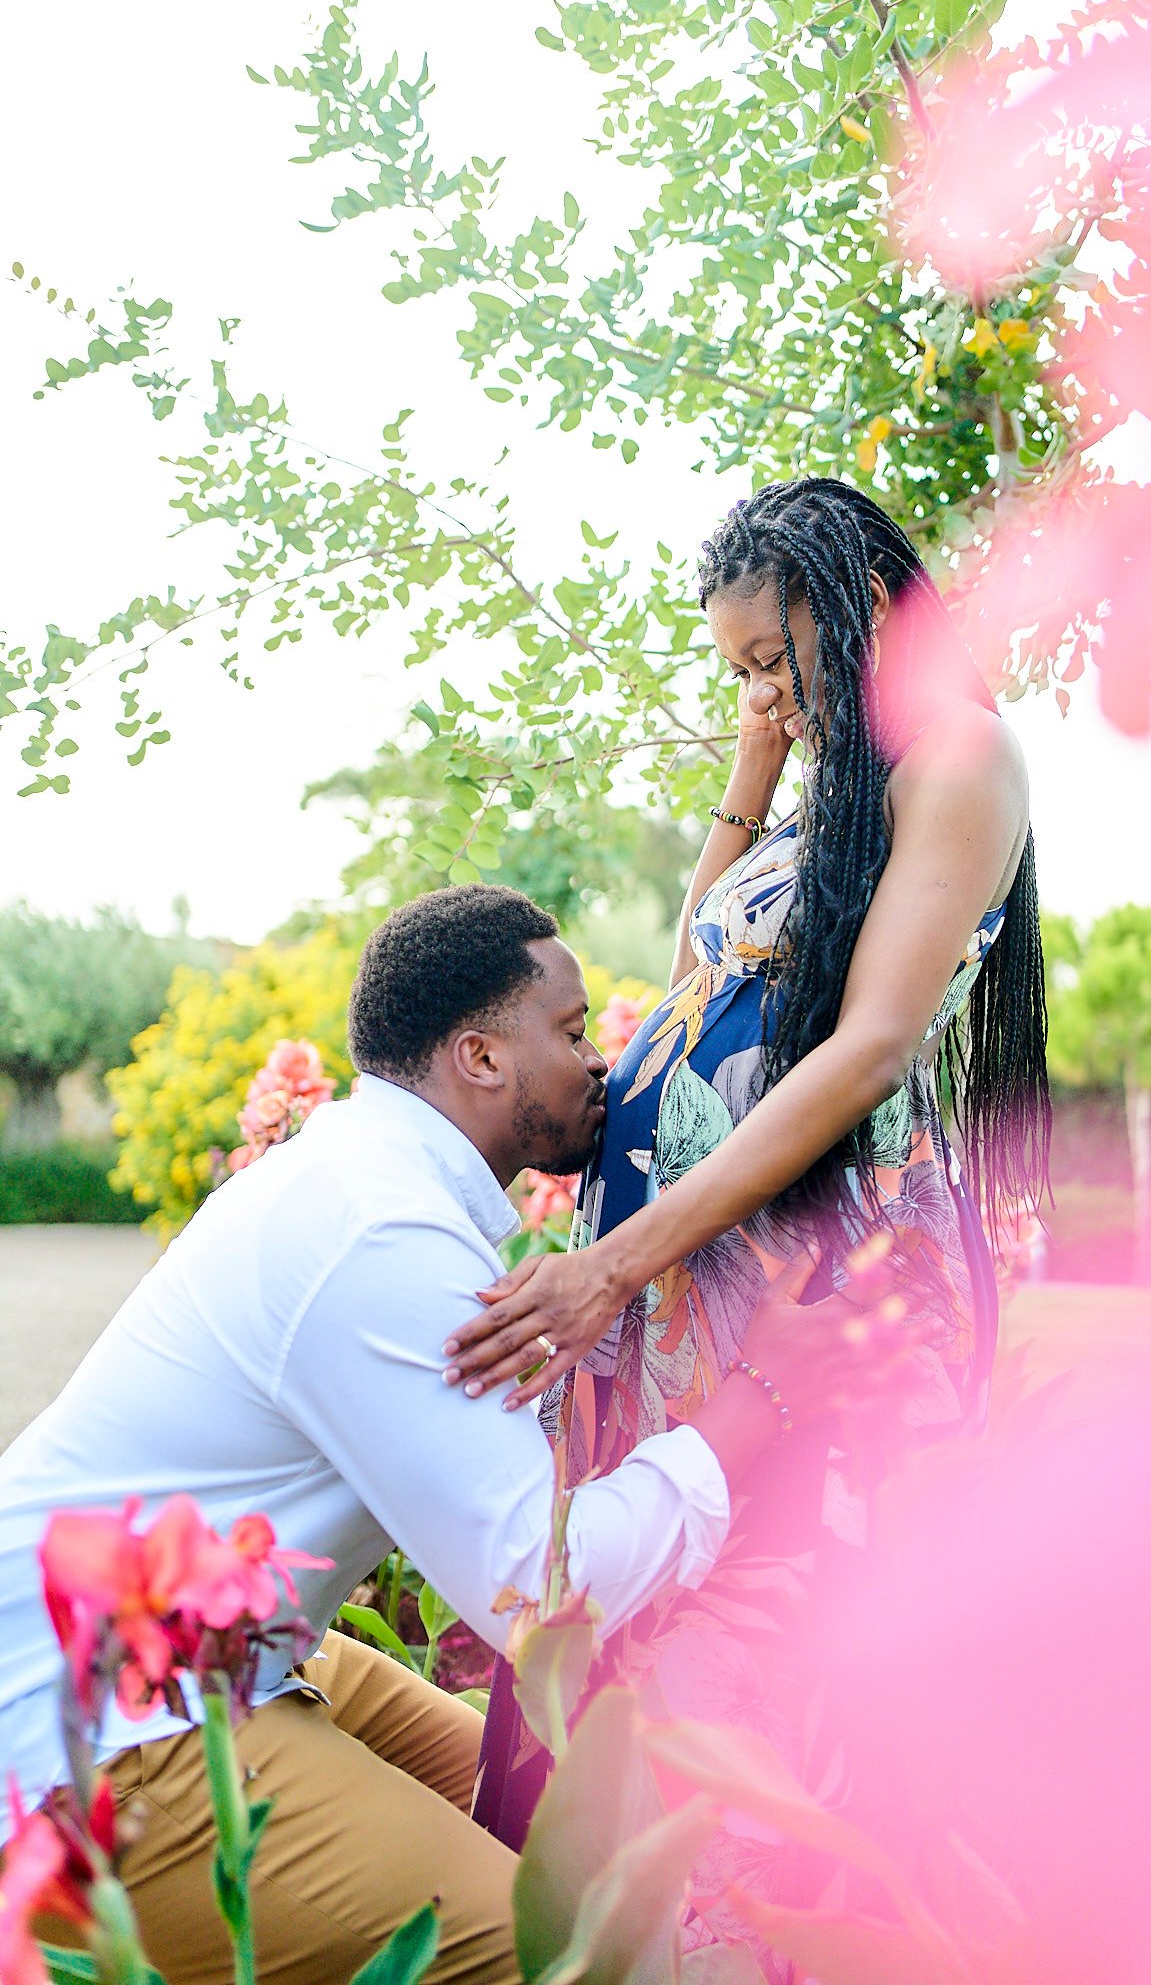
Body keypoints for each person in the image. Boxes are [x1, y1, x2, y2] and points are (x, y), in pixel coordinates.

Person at [0, 885, 895, 1985]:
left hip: (235, 1654)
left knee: (564, 1818)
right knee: (572, 1947)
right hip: (96, 1729)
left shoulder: (371, 1183)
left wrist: (749, 776)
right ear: (479, 1057)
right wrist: (759, 1398)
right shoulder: (379, 1232)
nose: (596, 1064)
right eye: (571, 1034)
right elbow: (541, 1590)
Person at [454, 479, 1052, 1902]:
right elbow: (696, 970)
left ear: (855, 612)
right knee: (677, 1592)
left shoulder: (954, 759)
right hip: (701, 1267)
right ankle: (641, 1907)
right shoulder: (821, 802)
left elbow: (868, 1050)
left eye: (774, 661)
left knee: (780, 1629)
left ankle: (764, 1926)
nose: (770, 696)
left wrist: (612, 1262)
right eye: (742, 674)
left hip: (811, 1267)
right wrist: (752, 754)